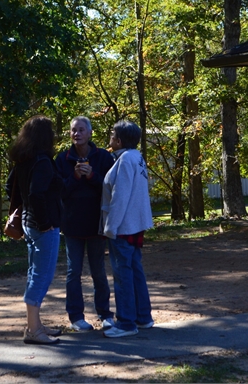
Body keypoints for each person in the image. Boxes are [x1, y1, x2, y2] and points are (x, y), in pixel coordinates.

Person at [55, 116, 116, 332]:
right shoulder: (62, 159)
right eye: (73, 130)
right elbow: (59, 192)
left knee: (98, 270)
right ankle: (76, 317)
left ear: (90, 133)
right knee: (73, 272)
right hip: (72, 225)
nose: (77, 134)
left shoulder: (103, 158)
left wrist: (92, 176)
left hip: (97, 224)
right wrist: (74, 177)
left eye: (81, 130)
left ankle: (105, 314)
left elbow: (111, 190)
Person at [7, 115, 64, 345]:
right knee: (41, 276)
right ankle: (33, 330)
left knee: (35, 274)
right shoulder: (41, 161)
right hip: (41, 227)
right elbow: (36, 193)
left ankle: (35, 324)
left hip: (29, 226)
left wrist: (28, 211)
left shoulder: (24, 160)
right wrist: (45, 222)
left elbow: (10, 187)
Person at [99, 120, 155, 338]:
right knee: (135, 271)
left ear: (119, 140)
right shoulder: (136, 157)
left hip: (123, 226)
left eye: (112, 135)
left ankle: (126, 323)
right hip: (135, 224)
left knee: (123, 275)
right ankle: (143, 317)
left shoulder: (125, 161)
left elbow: (119, 197)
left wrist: (110, 228)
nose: (110, 139)